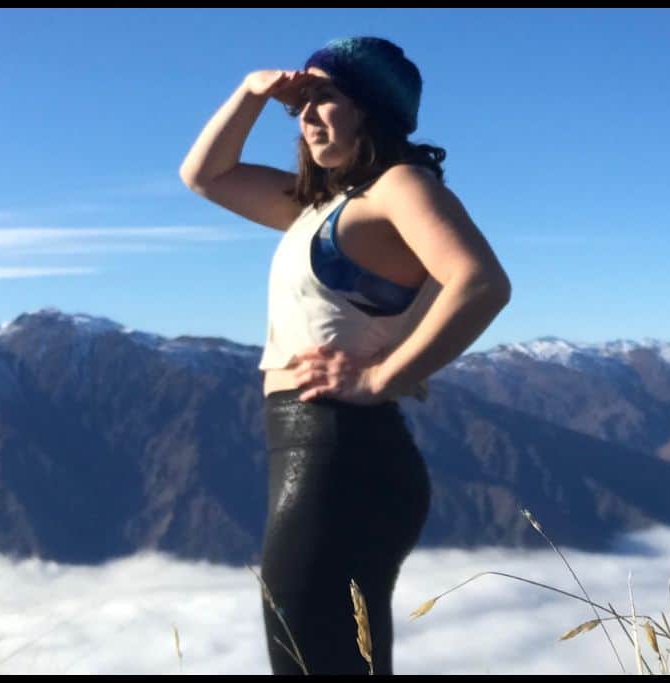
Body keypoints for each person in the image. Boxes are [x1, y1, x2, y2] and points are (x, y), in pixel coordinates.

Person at [180, 36, 511, 675]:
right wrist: (251, 91)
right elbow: (206, 176)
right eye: (300, 103)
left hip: (340, 453)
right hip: (323, 454)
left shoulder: (399, 185)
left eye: (325, 97)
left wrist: (382, 377)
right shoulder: (325, 206)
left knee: (310, 660)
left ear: (371, 109)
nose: (306, 115)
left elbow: (481, 283)